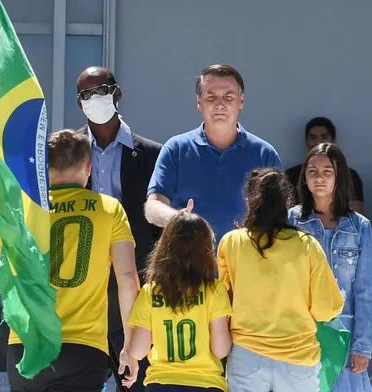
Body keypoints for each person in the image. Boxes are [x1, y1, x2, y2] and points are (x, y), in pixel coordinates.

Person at [0, 130, 140, 391]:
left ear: (44, 168)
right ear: (88, 168)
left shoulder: (21, 211)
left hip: (26, 349)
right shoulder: (110, 209)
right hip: (82, 347)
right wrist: (130, 346)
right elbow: (127, 279)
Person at [218, 168, 344, 392]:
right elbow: (327, 310)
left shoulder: (231, 243)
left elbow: (223, 303)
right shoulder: (307, 245)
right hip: (298, 360)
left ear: (249, 202)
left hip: (246, 357)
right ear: (287, 204)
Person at [76, 66, 161, 391]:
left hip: (135, 285)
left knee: (137, 382)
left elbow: (158, 227)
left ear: (117, 93)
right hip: (84, 291)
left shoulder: (152, 154)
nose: (96, 98)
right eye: (87, 94)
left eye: (102, 90)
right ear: (79, 102)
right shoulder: (68, 153)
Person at [145, 64, 282, 244]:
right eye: (211, 97)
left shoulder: (265, 154)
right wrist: (180, 219)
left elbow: (281, 214)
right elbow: (152, 207)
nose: (219, 104)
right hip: (187, 265)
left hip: (247, 264)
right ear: (199, 102)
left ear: (241, 101)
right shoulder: (175, 149)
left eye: (228, 97)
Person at [288, 143, 372, 392]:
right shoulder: (290, 221)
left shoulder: (359, 226)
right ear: (303, 177)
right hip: (301, 333)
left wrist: (362, 347)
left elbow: (365, 291)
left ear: (339, 177)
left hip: (344, 335)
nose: (319, 177)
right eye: (312, 171)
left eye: (328, 171)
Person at [128, 212, 232, 392]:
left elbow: (137, 351)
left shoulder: (150, 292)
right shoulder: (215, 290)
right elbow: (221, 350)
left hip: (160, 384)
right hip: (206, 385)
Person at [285, 117, 365, 213]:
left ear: (333, 140)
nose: (319, 142)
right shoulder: (291, 175)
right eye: (313, 137)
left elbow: (356, 216)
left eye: (324, 137)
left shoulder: (350, 175)